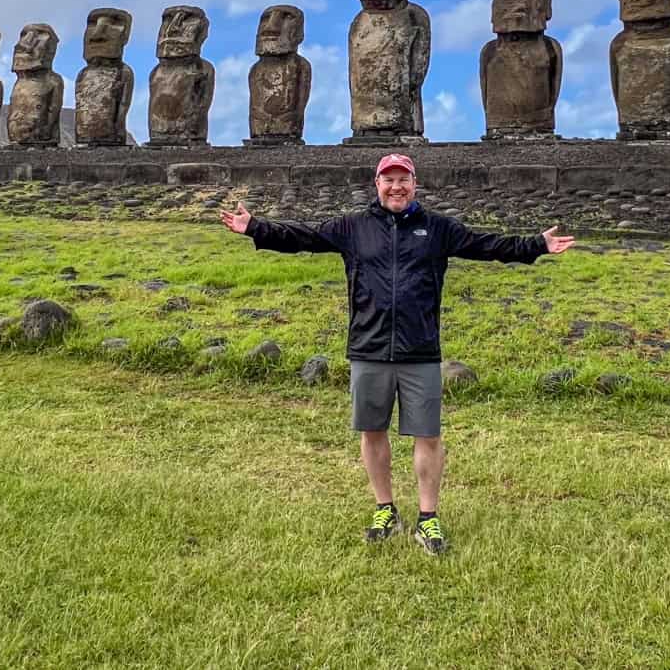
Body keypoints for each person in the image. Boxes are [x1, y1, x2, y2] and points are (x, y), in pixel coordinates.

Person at [219, 153, 575, 554]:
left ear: (414, 184)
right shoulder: (352, 227)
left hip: (420, 348)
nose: (396, 187)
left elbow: (486, 246)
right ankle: (384, 507)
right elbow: (303, 238)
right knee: (373, 432)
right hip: (368, 347)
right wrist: (255, 229)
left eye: (402, 180)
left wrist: (536, 245)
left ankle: (428, 517)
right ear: (377, 185)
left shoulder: (437, 228)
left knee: (428, 434)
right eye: (388, 180)